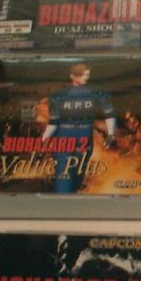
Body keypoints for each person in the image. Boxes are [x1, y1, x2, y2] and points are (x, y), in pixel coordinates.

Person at [40, 64, 115, 194]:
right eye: (83, 75)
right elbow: (54, 121)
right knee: (64, 173)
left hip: (84, 139)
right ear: (72, 76)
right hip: (65, 138)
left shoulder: (96, 92)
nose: (86, 77)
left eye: (87, 74)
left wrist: (111, 134)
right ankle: (63, 198)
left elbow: (109, 113)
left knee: (78, 172)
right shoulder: (60, 95)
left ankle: (71, 196)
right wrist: (45, 138)